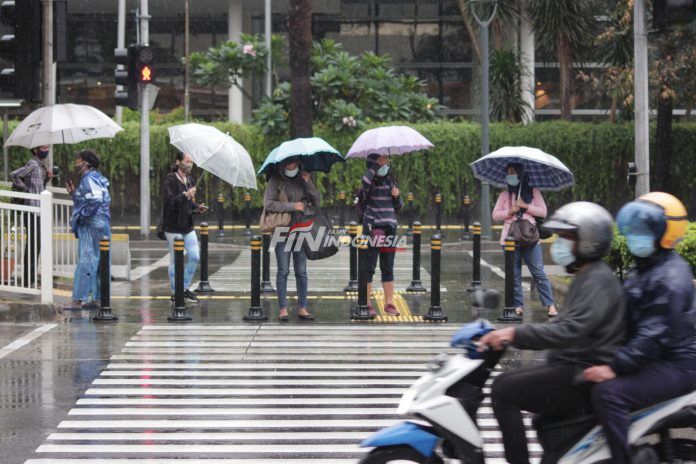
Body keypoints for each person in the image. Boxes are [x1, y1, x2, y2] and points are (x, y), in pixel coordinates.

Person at [479, 202, 626, 464]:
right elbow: (561, 326)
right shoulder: (587, 276)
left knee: (503, 389)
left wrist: (514, 334)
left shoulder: (599, 281)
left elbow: (569, 330)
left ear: (589, 242)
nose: (559, 244)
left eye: (567, 238)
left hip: (583, 373)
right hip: (572, 365)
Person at [584, 192, 696, 464]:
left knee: (608, 393)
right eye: (633, 228)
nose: (635, 235)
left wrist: (614, 366)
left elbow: (652, 335)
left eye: (643, 229)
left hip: (677, 365)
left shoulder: (670, 278)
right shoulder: (647, 267)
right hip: (658, 357)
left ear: (665, 233)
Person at [492, 163, 558, 317]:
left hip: (530, 238)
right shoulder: (504, 195)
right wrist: (510, 211)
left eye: (514, 172)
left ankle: (550, 305)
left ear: (521, 174)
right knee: (514, 274)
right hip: (509, 240)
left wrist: (526, 206)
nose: (511, 175)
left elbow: (543, 211)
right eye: (508, 172)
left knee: (538, 272)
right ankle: (517, 306)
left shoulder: (533, 192)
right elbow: (495, 215)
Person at [263, 157, 319, 321]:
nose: (291, 167)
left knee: (301, 271)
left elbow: (317, 201)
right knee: (283, 270)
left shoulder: (304, 177)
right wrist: (291, 206)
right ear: (283, 164)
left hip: (301, 229)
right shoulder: (275, 179)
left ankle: (303, 307)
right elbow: (268, 204)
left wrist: (308, 183)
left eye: (294, 163)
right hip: (282, 231)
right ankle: (283, 309)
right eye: (289, 164)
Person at [63, 149, 111, 310]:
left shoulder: (88, 179)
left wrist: (82, 216)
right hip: (102, 223)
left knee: (86, 260)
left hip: (91, 225)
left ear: (85, 163)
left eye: (78, 160)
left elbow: (95, 200)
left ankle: (78, 299)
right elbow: (92, 199)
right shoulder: (98, 178)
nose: (76, 163)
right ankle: (98, 299)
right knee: (100, 262)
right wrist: (74, 193)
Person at [360, 153, 403, 317]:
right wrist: (375, 165)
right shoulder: (369, 181)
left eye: (387, 162)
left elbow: (398, 206)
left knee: (388, 266)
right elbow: (364, 186)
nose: (385, 165)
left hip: (390, 227)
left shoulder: (391, 180)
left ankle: (389, 303)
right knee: (369, 266)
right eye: (382, 162)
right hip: (373, 227)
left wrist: (397, 196)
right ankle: (367, 303)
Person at [162, 152, 208, 303]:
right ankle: (175, 293)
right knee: (176, 258)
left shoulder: (190, 180)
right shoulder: (170, 179)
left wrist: (196, 207)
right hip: (172, 227)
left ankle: (185, 288)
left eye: (191, 161)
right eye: (187, 161)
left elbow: (188, 204)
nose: (190, 164)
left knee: (195, 256)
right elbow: (170, 201)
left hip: (187, 226)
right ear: (178, 162)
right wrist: (185, 195)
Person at [10, 145, 52, 286]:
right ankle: (29, 279)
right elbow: (15, 175)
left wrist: (46, 178)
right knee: (33, 245)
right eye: (44, 147)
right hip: (32, 209)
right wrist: (24, 190)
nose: (46, 150)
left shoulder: (40, 166)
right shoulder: (33, 164)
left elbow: (39, 187)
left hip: (39, 209)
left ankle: (31, 278)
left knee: (36, 244)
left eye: (47, 147)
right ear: (35, 150)